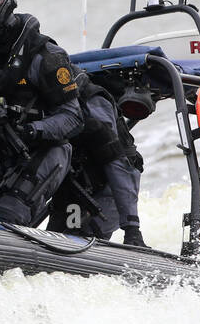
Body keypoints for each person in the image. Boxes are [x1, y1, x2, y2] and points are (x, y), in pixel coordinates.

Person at [0, 0, 83, 226]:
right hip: (6, 153)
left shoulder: (47, 58)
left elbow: (73, 117)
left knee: (9, 215)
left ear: (2, 22)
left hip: (47, 150)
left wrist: (30, 129)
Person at [46, 71, 147, 246]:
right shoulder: (44, 101)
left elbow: (118, 166)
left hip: (107, 191)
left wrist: (132, 229)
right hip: (71, 188)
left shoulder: (93, 104)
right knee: (53, 237)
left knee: (81, 237)